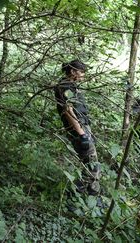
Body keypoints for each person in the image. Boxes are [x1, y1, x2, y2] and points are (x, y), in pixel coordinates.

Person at [54, 59, 101, 197]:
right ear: (73, 71)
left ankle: (86, 194)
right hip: (77, 129)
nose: (83, 75)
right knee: (93, 165)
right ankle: (82, 194)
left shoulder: (72, 85)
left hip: (82, 127)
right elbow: (68, 111)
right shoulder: (65, 85)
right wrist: (81, 134)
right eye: (81, 72)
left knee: (90, 162)